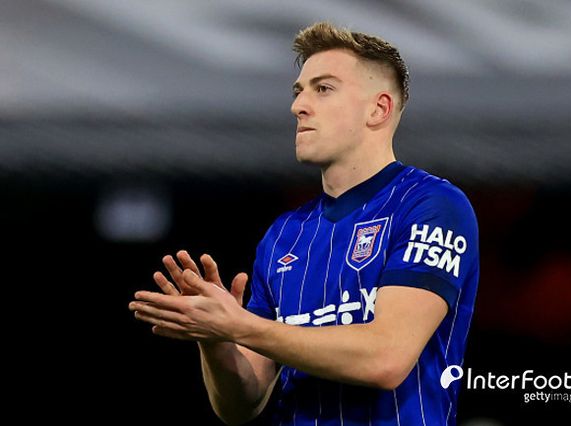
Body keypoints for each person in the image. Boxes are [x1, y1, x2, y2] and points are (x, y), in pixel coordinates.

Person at [130, 21, 479, 426]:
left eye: (323, 88)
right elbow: (241, 406)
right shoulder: (285, 234)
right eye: (298, 92)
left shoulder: (431, 205)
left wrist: (240, 325)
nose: (298, 106)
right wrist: (217, 338)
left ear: (378, 109)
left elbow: (386, 358)